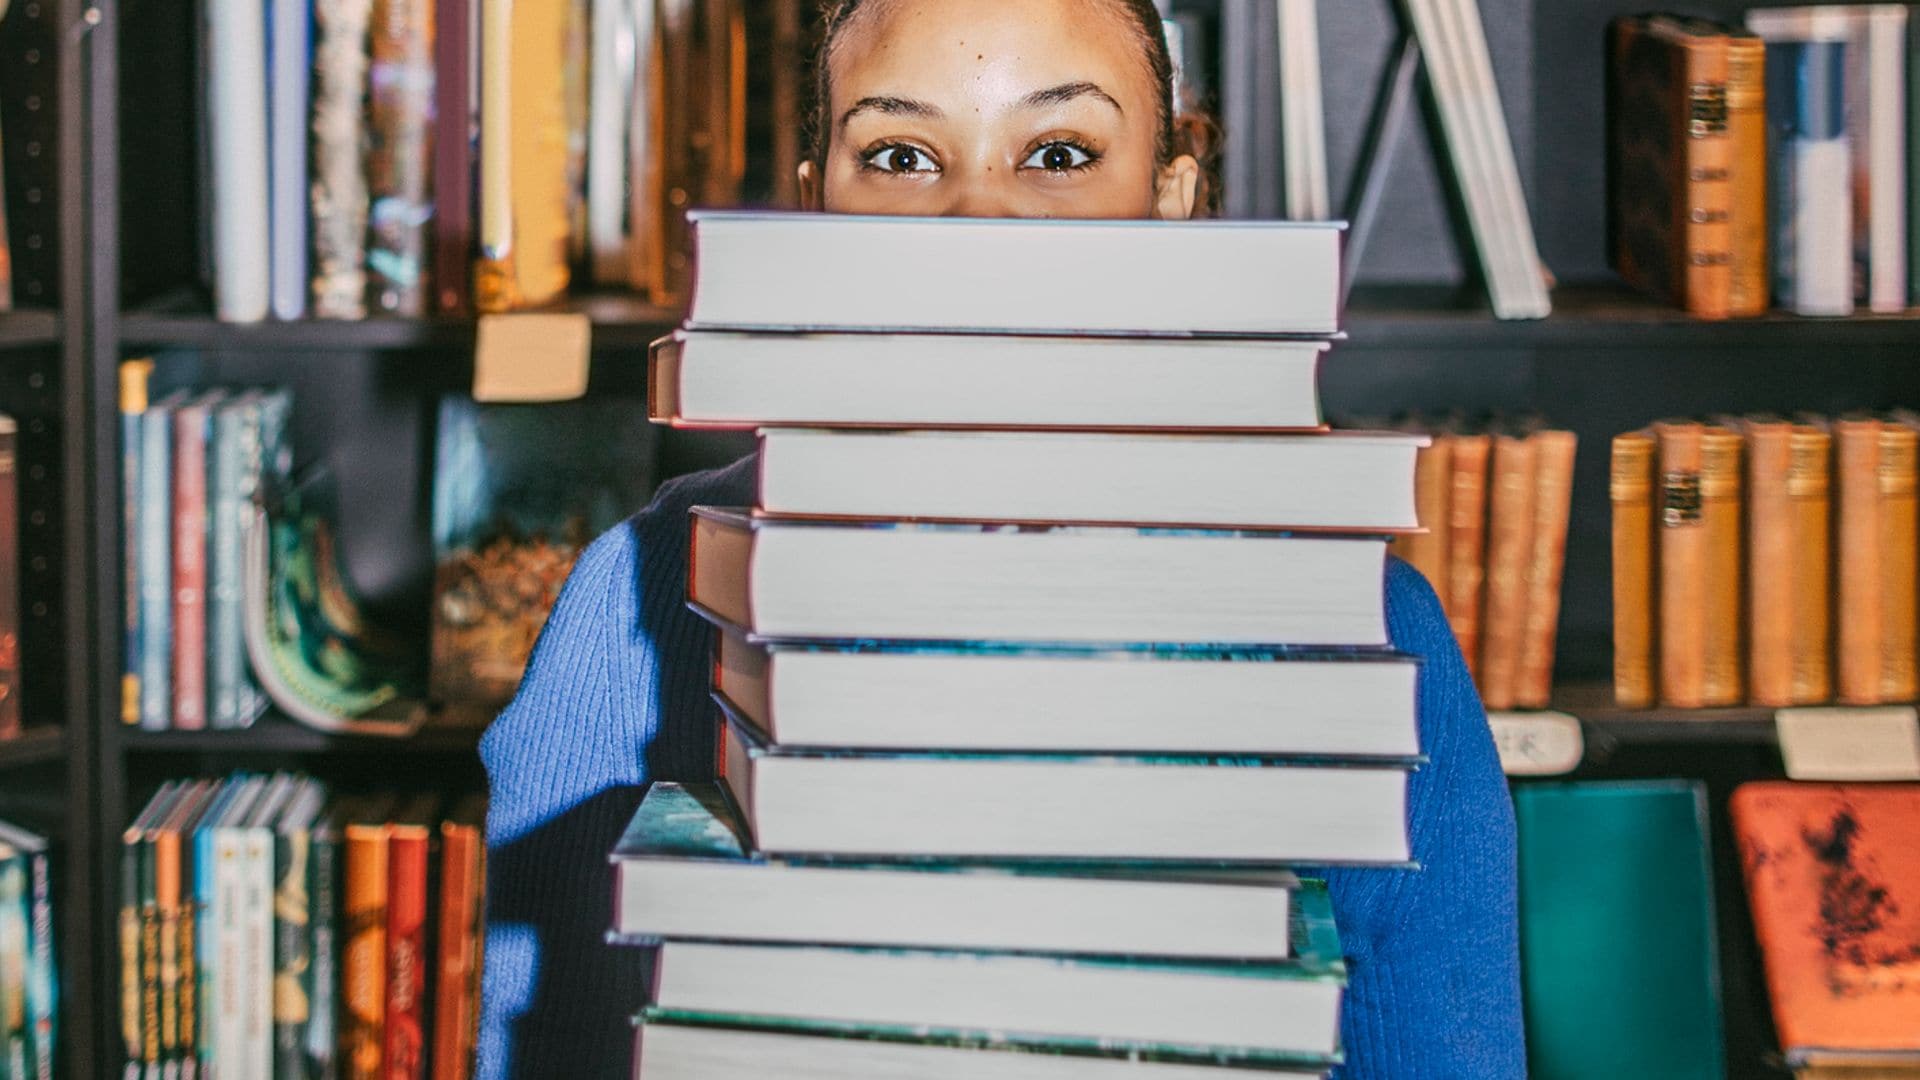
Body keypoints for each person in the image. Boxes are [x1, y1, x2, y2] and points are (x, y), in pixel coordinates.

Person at [478, 0, 1525, 1076]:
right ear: (813, 218)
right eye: (899, 153)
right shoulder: (640, 600)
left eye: (1061, 152)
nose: (981, 218)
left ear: (1170, 206)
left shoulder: (1363, 640)